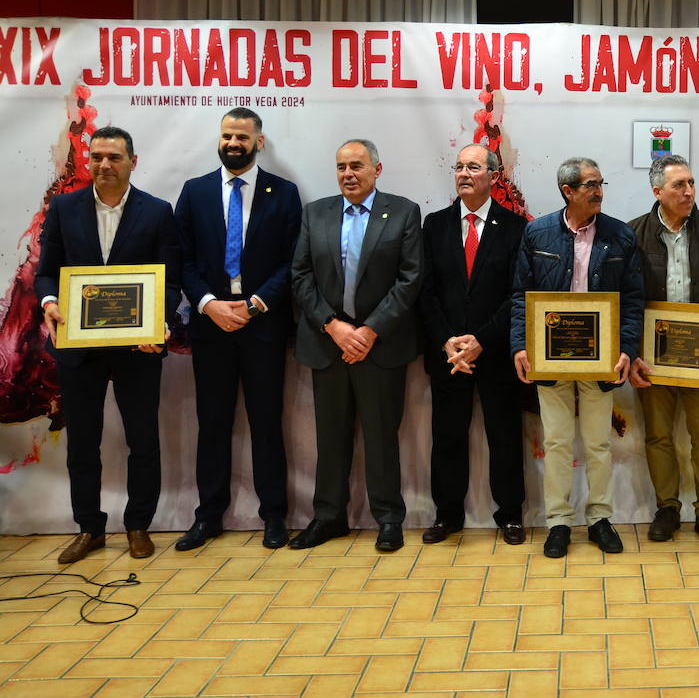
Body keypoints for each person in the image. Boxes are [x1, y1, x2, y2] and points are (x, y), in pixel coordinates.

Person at [37, 126, 181, 564]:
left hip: (138, 348)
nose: (104, 165)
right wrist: (49, 302)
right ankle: (89, 528)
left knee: (143, 440)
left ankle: (138, 524)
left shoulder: (157, 212)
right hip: (78, 348)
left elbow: (170, 282)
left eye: (114, 158)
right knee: (83, 441)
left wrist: (157, 322)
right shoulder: (62, 208)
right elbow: (46, 272)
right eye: (96, 157)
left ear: (132, 162)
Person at [172, 108, 301, 551]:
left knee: (267, 423)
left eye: (242, 137)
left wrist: (256, 303)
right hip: (211, 329)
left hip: (262, 326)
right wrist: (209, 305)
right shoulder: (194, 192)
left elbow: (292, 261)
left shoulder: (283, 193)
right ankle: (208, 516)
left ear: (258, 142)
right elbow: (181, 260)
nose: (232, 143)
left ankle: (274, 516)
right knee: (212, 424)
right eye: (226, 135)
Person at [289, 139, 422, 553]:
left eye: (357, 166)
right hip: (329, 345)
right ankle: (329, 518)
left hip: (379, 347)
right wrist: (333, 326)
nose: (348, 173)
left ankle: (388, 520)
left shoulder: (403, 212)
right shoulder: (316, 213)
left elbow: (410, 278)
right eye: (342, 166)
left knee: (383, 438)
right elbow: (301, 276)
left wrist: (368, 331)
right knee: (330, 438)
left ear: (376, 170)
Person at [510, 157, 645, 559]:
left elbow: (634, 300)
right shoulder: (538, 233)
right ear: (567, 191)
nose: (599, 191)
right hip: (550, 357)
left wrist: (627, 348)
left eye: (601, 183)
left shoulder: (620, 236)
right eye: (590, 185)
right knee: (555, 442)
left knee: (599, 443)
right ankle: (558, 523)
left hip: (602, 357)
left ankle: (600, 518)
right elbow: (521, 295)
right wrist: (520, 345)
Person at [417, 144, 530, 546]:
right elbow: (425, 291)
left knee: (504, 435)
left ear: (494, 177)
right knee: (447, 436)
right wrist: (448, 341)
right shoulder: (434, 225)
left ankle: (511, 515)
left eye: (474, 167)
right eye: (459, 166)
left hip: (495, 353)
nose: (464, 173)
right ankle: (447, 515)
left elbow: (518, 293)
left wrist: (481, 340)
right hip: (448, 355)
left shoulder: (516, 228)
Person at [626, 155, 699, 548]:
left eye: (691, 183)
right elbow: (627, 299)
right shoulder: (632, 233)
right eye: (679, 186)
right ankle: (666, 508)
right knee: (657, 435)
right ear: (657, 191)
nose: (689, 192)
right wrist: (631, 350)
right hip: (651, 355)